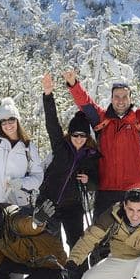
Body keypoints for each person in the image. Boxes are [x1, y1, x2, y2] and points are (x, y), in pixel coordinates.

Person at [63, 66, 140, 217]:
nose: (120, 101)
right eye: (117, 97)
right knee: (102, 237)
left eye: (124, 97)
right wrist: (73, 84)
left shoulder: (139, 121)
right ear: (111, 99)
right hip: (106, 191)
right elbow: (86, 104)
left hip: (135, 192)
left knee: (135, 238)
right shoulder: (102, 121)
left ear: (130, 99)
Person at [38, 73, 99, 250]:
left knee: (76, 244)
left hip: (74, 206)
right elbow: (52, 123)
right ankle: (54, 276)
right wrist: (48, 95)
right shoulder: (60, 146)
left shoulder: (92, 155)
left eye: (83, 135)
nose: (79, 139)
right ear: (69, 134)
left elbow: (97, 182)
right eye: (75, 135)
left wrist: (89, 182)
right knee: (51, 245)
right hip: (50, 202)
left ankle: (77, 275)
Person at [0, 98, 43, 206]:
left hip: (18, 202)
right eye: (3, 121)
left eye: (11, 120)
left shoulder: (28, 147)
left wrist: (22, 183)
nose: (8, 125)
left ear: (17, 121)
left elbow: (38, 176)